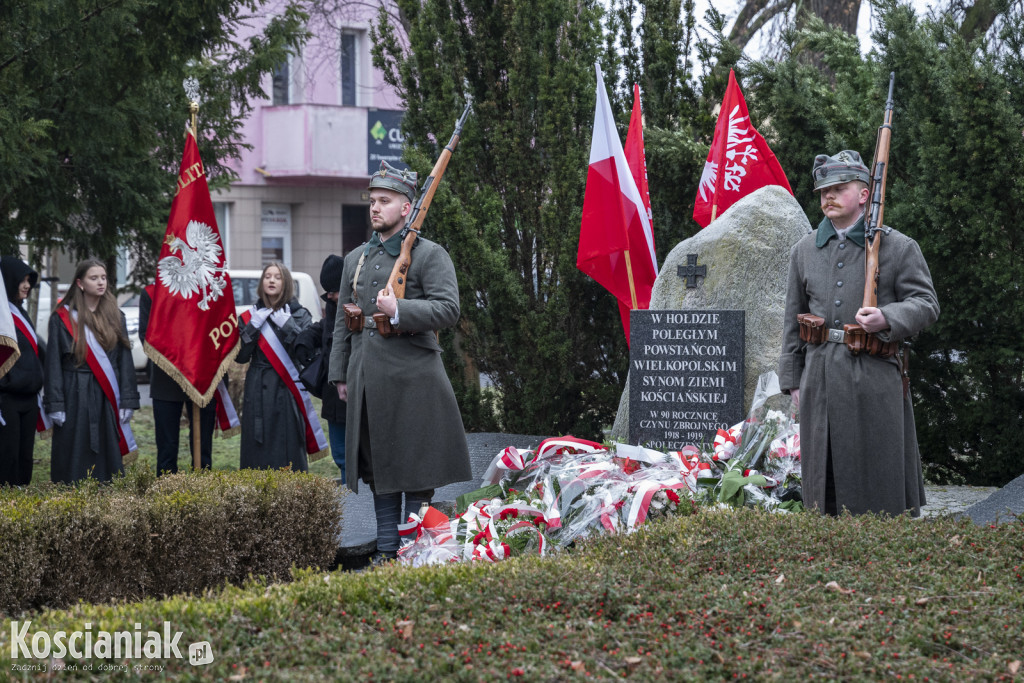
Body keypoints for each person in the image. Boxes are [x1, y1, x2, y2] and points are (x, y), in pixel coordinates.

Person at [778, 150, 940, 517]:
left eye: (838, 188)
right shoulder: (804, 250)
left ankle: (879, 553)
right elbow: (792, 320)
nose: (828, 197)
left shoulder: (898, 247)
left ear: (865, 195)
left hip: (874, 375)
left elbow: (927, 304)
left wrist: (886, 317)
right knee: (825, 479)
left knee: (877, 477)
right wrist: (793, 382)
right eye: (823, 191)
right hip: (819, 375)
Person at [329, 160, 472, 561]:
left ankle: (415, 552)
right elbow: (345, 321)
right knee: (379, 470)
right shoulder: (356, 258)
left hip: (415, 380)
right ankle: (387, 551)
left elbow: (448, 310)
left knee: (416, 469)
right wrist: (340, 374)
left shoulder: (429, 255)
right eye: (372, 201)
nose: (375, 208)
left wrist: (399, 310)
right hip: (368, 379)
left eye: (385, 201)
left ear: (407, 208)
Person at [44, 260, 140, 483]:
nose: (100, 283)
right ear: (80, 283)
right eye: (93, 278)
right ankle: (72, 496)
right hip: (73, 393)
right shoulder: (62, 319)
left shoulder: (116, 316)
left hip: (107, 396)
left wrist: (127, 399)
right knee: (74, 447)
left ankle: (106, 496)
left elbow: (124, 362)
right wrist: (55, 404)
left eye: (103, 278)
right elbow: (53, 365)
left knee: (107, 450)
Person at [237, 262, 314, 471]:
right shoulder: (250, 316)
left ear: (286, 283)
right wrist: (252, 327)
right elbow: (241, 356)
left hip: (287, 387)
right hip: (258, 386)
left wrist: (288, 326)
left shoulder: (300, 315)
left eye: (277, 277)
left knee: (287, 443)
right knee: (256, 443)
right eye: (267, 276)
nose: (271, 280)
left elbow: (306, 353)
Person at [138, 285, 216, 474]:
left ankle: (204, 490)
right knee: (167, 446)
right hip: (167, 376)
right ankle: (166, 493)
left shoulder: (207, 290)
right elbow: (146, 336)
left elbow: (216, 329)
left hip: (201, 374)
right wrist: (180, 358)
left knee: (203, 445)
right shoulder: (151, 293)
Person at [296, 254, 347, 482]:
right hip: (333, 396)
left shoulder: (359, 306)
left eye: (334, 290)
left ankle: (358, 503)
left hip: (351, 394)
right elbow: (326, 327)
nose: (330, 296)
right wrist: (307, 337)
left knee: (352, 458)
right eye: (327, 292)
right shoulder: (334, 303)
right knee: (340, 455)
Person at [0, 256, 46, 485]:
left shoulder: (21, 312)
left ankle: (21, 501)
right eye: (22, 280)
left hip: (29, 397)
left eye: (29, 280)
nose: (27, 285)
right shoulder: (2, 316)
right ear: (9, 281)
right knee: (8, 455)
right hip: (6, 397)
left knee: (24, 456)